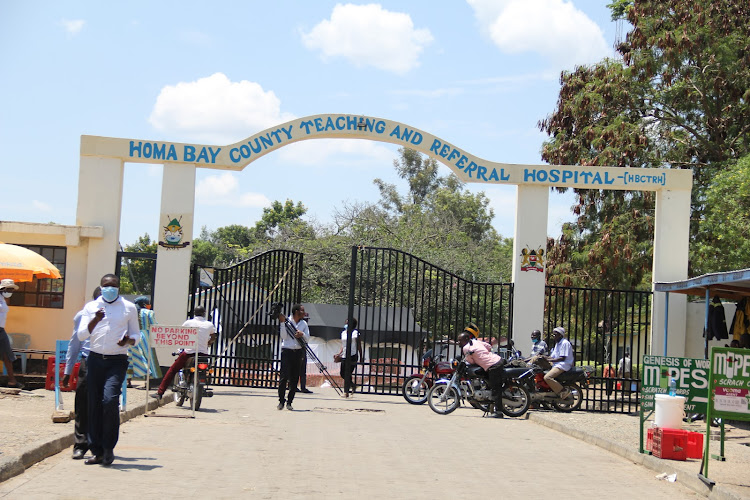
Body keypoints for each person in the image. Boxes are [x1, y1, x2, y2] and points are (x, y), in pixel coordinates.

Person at [77, 273, 140, 466]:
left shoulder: (128, 308)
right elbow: (81, 335)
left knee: (110, 401)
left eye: (113, 285)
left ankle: (108, 448)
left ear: (118, 287)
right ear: (101, 287)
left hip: (117, 360)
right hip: (95, 359)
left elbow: (136, 335)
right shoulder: (91, 307)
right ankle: (97, 451)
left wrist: (127, 340)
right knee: (94, 404)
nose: (109, 288)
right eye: (106, 286)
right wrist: (95, 320)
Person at [63, 286, 101, 460]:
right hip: (88, 360)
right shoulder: (83, 315)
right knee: (82, 404)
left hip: (109, 362)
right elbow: (74, 343)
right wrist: (68, 370)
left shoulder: (119, 315)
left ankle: (99, 445)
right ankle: (80, 444)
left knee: (104, 405)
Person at [153, 305, 215, 399]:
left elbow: (182, 336)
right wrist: (208, 343)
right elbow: (213, 337)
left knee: (172, 370)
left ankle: (160, 393)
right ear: (204, 313)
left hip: (189, 354)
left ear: (194, 313)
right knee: (204, 371)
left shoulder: (188, 323)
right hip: (203, 354)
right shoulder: (209, 325)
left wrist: (180, 348)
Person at [457, 331, 505, 418]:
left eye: (460, 340)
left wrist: (481, 357)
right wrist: (483, 354)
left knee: (495, 388)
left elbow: (470, 361)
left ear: (466, 339)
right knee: (488, 383)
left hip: (493, 365)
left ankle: (499, 412)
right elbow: (489, 346)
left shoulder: (466, 348)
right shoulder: (476, 341)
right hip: (496, 360)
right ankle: (488, 403)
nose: (458, 342)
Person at [276, 303, 309, 411]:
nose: (304, 313)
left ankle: (290, 401)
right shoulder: (287, 321)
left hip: (298, 352)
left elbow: (307, 338)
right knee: (284, 377)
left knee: (294, 378)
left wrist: (302, 334)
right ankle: (281, 401)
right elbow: (284, 336)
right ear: (296, 312)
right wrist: (281, 323)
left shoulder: (304, 324)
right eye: (302, 311)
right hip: (287, 351)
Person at [128, 296, 157, 385]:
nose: (149, 305)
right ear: (144, 304)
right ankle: (147, 382)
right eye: (148, 303)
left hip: (133, 336)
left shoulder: (132, 313)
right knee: (149, 359)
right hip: (146, 336)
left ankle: (128, 381)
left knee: (131, 358)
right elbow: (154, 324)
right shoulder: (149, 313)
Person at [0, 279, 23, 389]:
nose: (10, 292)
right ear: (3, 289)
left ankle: (12, 381)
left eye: (12, 290)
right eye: (9, 289)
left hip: (1, 330)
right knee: (7, 355)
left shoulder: (3, 299)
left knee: (7, 355)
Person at [543, 326, 574, 400]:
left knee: (547, 377)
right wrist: (544, 358)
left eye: (555, 334)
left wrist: (550, 360)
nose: (553, 336)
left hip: (563, 365)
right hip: (556, 364)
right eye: (553, 335)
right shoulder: (557, 344)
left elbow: (562, 358)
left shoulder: (565, 343)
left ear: (560, 335)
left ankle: (563, 391)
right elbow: (552, 356)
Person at [335, 317, 363, 398]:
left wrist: (361, 356)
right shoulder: (343, 333)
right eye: (345, 323)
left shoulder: (355, 333)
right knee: (342, 373)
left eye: (347, 323)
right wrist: (339, 354)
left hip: (353, 355)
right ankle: (352, 385)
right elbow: (343, 345)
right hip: (344, 355)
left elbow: (359, 345)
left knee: (348, 373)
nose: (346, 325)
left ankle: (346, 392)